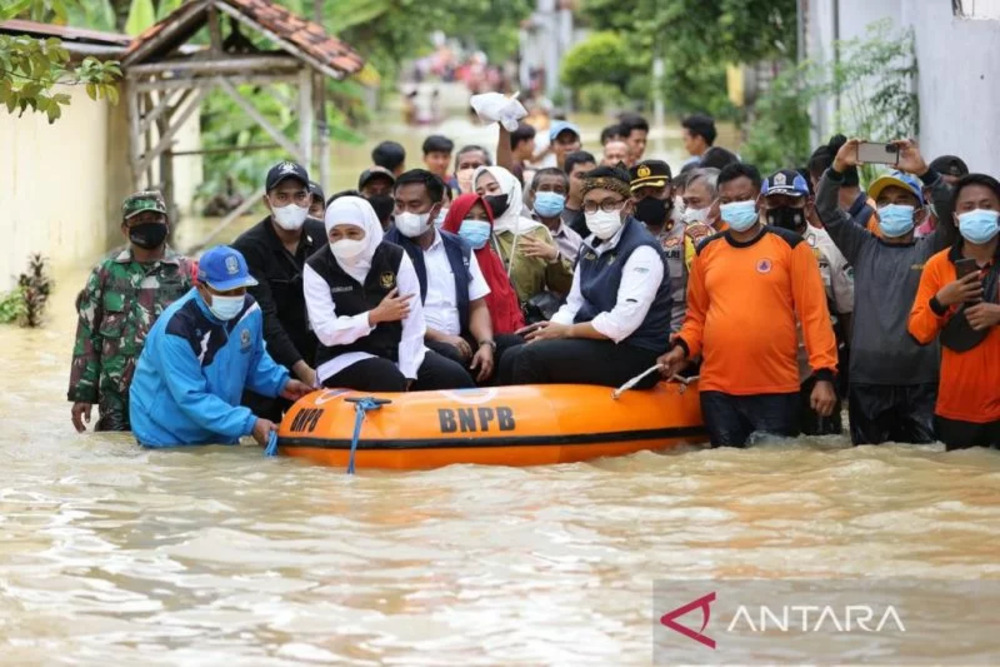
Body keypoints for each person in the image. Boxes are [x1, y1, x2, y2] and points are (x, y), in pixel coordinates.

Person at [659, 162, 839, 447]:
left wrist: (824, 376)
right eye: (727, 200)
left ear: (759, 200)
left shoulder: (792, 247)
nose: (734, 206)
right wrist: (681, 349)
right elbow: (697, 318)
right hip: (717, 391)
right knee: (727, 475)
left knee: (773, 476)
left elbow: (814, 316)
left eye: (742, 199)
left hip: (776, 389)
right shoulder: (707, 251)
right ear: (718, 204)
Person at [817, 138, 956, 445]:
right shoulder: (862, 246)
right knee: (872, 469)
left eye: (902, 200)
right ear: (876, 212)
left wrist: (925, 173)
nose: (893, 206)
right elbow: (825, 209)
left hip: (922, 382)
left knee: (924, 469)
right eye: (886, 201)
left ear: (919, 214)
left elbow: (951, 217)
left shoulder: (932, 249)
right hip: (868, 382)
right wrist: (838, 166)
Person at [499, 165, 673, 387]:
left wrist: (567, 331)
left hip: (634, 350)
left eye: (609, 204)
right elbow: (574, 303)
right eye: (591, 205)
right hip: (594, 339)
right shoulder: (589, 245)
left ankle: (534, 421)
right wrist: (552, 328)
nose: (599, 211)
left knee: (529, 357)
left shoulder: (642, 250)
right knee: (508, 349)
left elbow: (621, 323)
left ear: (628, 206)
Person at [129, 246, 312, 447]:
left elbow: (253, 360)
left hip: (220, 431)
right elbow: (191, 397)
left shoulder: (249, 311)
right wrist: (249, 424)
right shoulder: (177, 329)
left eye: (240, 289)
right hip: (165, 437)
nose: (234, 298)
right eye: (224, 291)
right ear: (201, 288)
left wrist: (282, 384)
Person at [304, 196, 476, 391]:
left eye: (353, 233)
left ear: (368, 229)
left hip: (395, 350)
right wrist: (373, 316)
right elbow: (327, 331)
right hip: (343, 357)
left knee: (453, 376)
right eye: (336, 234)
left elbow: (413, 322)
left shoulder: (395, 257)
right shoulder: (316, 267)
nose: (345, 241)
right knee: (386, 377)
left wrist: (409, 369)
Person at [69, 190, 197, 433]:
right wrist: (82, 393)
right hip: (115, 399)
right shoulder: (105, 274)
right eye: (138, 221)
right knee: (115, 461)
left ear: (166, 224)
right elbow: (87, 335)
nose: (147, 225)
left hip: (169, 393)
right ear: (125, 229)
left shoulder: (186, 273)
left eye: (154, 219)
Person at [909, 173, 1000, 450]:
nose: (978, 213)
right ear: (956, 216)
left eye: (987, 205)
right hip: (957, 408)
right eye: (968, 207)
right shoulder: (938, 265)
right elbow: (918, 333)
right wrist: (941, 300)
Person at [760, 169, 854, 436]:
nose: (782, 209)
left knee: (822, 450)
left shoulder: (829, 247)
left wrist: (850, 373)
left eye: (791, 203)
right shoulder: (752, 245)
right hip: (769, 372)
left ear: (808, 204)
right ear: (762, 205)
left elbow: (847, 311)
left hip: (817, 371)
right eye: (774, 203)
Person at [230, 161, 326, 422]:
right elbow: (265, 318)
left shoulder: (325, 236)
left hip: (320, 356)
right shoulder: (249, 248)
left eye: (299, 196)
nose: (292, 204)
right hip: (265, 364)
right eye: (282, 197)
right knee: (262, 444)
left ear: (309, 199)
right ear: (267, 201)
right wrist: (302, 370)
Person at [383, 170, 499, 381]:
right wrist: (442, 337)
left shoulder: (458, 246)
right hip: (415, 341)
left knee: (512, 351)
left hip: (459, 337)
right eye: (400, 205)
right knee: (452, 359)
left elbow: (477, 305)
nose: (405, 212)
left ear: (436, 209)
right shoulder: (385, 250)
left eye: (414, 205)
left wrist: (486, 343)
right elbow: (393, 314)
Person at [473, 165, 574, 303]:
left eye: (492, 189)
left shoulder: (535, 231)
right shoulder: (474, 231)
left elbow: (562, 287)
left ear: (509, 188)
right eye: (480, 193)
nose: (487, 196)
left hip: (529, 319)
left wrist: (554, 257)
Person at [441, 193, 527, 339]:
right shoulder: (440, 257)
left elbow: (511, 306)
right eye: (468, 217)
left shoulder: (492, 260)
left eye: (483, 218)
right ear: (455, 219)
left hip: (500, 339)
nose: (477, 223)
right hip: (454, 340)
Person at [630, 160, 686, 333]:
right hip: (636, 333)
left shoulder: (691, 233)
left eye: (657, 191)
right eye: (640, 194)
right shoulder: (627, 236)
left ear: (673, 192)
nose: (649, 199)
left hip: (677, 332)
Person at [808, 135, 878, 232]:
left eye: (813, 185)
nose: (814, 192)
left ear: (823, 183)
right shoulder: (851, 217)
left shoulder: (874, 218)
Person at [527, 167, 584, 264]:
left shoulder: (575, 241)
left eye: (558, 190)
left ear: (566, 199)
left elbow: (578, 274)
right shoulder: (519, 228)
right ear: (532, 195)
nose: (551, 194)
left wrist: (557, 256)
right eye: (545, 189)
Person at [917, 155, 969, 237]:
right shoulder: (915, 238)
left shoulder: (972, 237)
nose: (951, 194)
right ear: (926, 193)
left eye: (958, 187)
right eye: (944, 187)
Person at [563, 150, 598, 237]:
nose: (587, 182)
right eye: (580, 176)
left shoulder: (603, 212)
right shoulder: (555, 213)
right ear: (566, 177)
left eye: (592, 176)